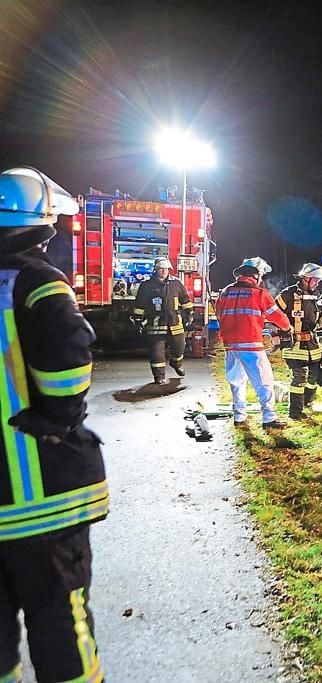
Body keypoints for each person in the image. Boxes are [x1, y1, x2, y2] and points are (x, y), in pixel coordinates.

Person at [0, 167, 108, 683]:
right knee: (60, 625)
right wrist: (57, 419)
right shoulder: (36, 281)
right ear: (42, 225)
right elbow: (67, 366)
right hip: (34, 498)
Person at [216, 257, 292, 429]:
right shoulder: (258, 294)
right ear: (256, 275)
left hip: (230, 345)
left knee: (237, 382)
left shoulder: (226, 292)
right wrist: (288, 329)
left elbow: (220, 314)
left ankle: (239, 417)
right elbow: (277, 317)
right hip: (251, 345)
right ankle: (269, 419)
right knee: (264, 382)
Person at [275, 263, 322, 419]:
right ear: (306, 278)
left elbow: (318, 318)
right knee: (300, 376)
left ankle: (307, 402)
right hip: (295, 345)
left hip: (312, 344)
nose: (317, 283)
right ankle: (295, 412)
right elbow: (272, 314)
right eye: (315, 280)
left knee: (315, 375)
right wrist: (280, 334)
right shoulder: (288, 295)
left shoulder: (316, 296)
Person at [132, 256, 192, 384]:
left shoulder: (176, 284)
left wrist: (189, 314)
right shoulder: (147, 286)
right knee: (156, 352)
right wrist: (138, 320)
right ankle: (159, 377)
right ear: (156, 269)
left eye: (166, 268)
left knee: (179, 348)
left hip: (175, 323)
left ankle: (176, 364)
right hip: (155, 324)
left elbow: (185, 300)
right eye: (161, 268)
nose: (164, 271)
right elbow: (140, 304)